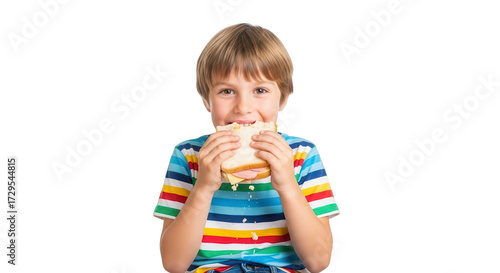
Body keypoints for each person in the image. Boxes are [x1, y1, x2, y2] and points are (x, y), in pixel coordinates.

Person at [153, 23, 340, 273]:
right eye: (227, 91)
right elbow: (174, 264)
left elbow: (318, 261)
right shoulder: (189, 156)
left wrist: (287, 184)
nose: (243, 107)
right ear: (206, 99)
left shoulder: (301, 154)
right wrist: (204, 187)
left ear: (282, 98)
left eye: (260, 90)